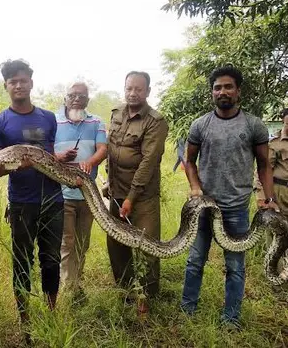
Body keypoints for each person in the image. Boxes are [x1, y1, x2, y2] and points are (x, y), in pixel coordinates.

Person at [181, 65, 278, 329]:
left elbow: (264, 164)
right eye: (217, 87)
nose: (222, 92)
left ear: (238, 91)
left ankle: (231, 318)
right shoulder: (200, 124)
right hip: (203, 207)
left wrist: (269, 199)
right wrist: (195, 187)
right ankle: (187, 310)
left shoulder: (253, 124)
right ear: (212, 92)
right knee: (194, 261)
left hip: (236, 209)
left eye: (227, 86)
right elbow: (189, 161)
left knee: (235, 266)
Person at [0, 59, 76, 326]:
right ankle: (24, 317)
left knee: (50, 259)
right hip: (22, 202)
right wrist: (21, 164)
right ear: (6, 86)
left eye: (23, 80)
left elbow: (47, 155)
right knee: (22, 260)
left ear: (31, 83)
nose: (18, 85)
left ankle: (50, 313)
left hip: (53, 199)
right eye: (13, 81)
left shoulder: (48, 118)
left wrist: (58, 158)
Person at [103, 71, 168, 310]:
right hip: (117, 193)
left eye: (138, 89)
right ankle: (126, 293)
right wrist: (109, 181)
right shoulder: (116, 113)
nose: (133, 93)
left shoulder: (156, 121)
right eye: (129, 88)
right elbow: (112, 150)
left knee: (146, 247)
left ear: (148, 91)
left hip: (142, 197)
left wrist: (131, 197)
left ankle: (146, 299)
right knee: (117, 245)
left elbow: (148, 162)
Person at [54, 82, 107, 299]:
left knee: (82, 243)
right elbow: (44, 150)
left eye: (81, 96)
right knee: (67, 243)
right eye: (72, 95)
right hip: (62, 194)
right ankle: (69, 291)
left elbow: (103, 149)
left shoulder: (96, 122)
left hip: (88, 195)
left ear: (88, 99)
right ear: (65, 98)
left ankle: (75, 283)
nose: (76, 99)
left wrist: (91, 162)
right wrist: (60, 157)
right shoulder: (53, 121)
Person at [255, 108, 288, 280]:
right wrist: (263, 197)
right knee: (276, 232)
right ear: (284, 121)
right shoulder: (274, 144)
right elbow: (263, 171)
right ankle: (274, 272)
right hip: (279, 191)